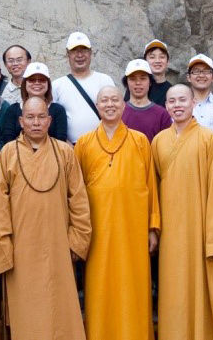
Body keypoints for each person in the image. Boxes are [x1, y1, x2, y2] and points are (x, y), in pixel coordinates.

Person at [0, 96, 91, 340]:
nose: (36, 122)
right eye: (30, 117)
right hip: (20, 249)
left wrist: (77, 240)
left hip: (58, 246)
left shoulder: (65, 152)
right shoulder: (8, 154)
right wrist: (3, 247)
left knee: (60, 310)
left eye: (41, 117)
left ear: (50, 120)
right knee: (27, 310)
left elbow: (78, 199)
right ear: (21, 121)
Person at [75, 86, 159, 340]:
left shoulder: (140, 140)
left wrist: (152, 227)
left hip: (132, 229)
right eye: (104, 100)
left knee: (133, 287)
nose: (110, 104)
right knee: (100, 288)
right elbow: (76, 192)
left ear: (123, 106)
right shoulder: (84, 143)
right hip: (98, 230)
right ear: (97, 107)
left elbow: (151, 185)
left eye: (114, 100)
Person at [152, 84, 213, 340]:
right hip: (171, 232)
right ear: (166, 106)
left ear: (193, 104)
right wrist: (154, 227)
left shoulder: (210, 140)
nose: (177, 105)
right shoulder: (158, 141)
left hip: (200, 230)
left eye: (182, 100)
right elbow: (152, 188)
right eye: (172, 101)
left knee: (201, 291)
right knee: (173, 289)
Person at [52, 32, 116, 141]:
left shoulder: (105, 80)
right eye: (74, 51)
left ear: (90, 53)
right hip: (71, 149)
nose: (80, 55)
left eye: (84, 50)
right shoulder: (57, 85)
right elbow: (52, 119)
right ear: (68, 54)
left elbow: (116, 112)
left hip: (102, 146)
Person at [0, 62, 70, 145]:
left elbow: (60, 142)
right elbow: (8, 141)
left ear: (48, 84)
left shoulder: (58, 110)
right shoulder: (12, 110)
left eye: (42, 80)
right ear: (25, 83)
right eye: (32, 80)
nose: (37, 83)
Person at [121, 59, 172, 141]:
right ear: (126, 82)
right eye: (133, 79)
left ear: (150, 82)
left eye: (143, 78)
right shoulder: (118, 112)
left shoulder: (162, 115)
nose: (138, 83)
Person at [141, 39, 173, 105]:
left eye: (162, 57)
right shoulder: (137, 87)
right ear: (145, 61)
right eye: (152, 57)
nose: (157, 61)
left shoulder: (172, 91)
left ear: (167, 61)